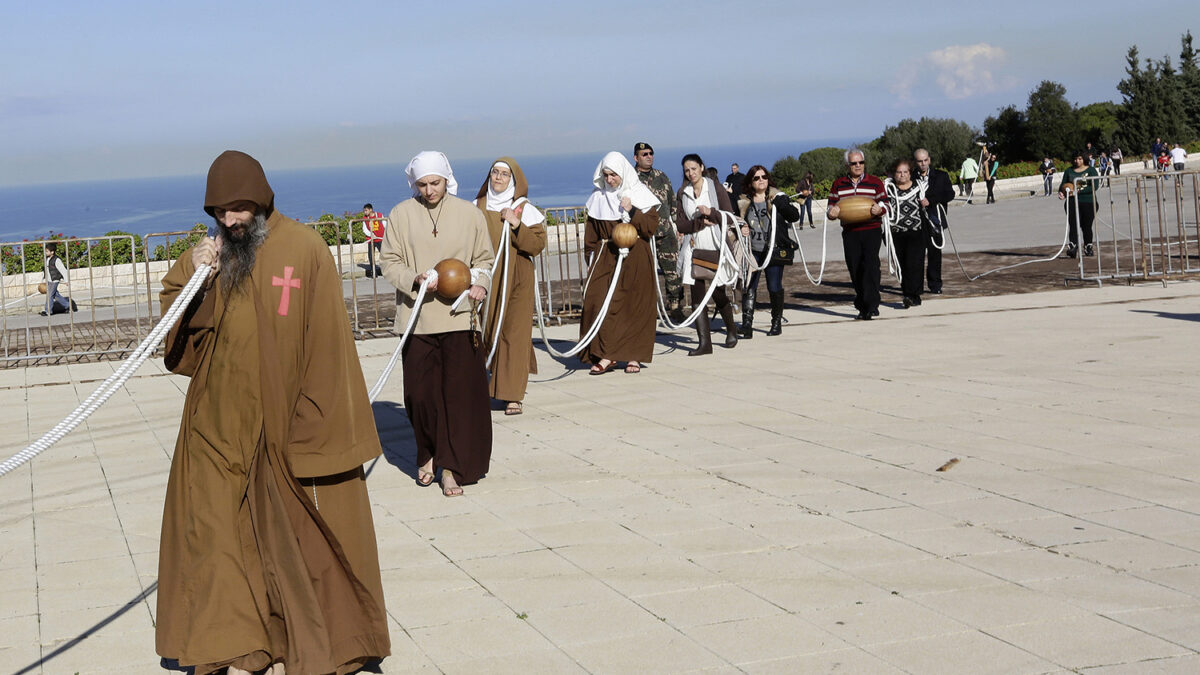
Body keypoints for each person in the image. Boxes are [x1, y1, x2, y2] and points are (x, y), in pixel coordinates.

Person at [156, 150, 390, 674]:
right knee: (213, 537)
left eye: (239, 209)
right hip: (214, 427)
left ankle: (315, 643)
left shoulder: (304, 249)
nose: (230, 221)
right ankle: (223, 646)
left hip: (278, 427)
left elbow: (329, 345)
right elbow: (177, 322)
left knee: (293, 545)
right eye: (220, 211)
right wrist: (195, 275)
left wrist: (318, 425)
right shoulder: (211, 255)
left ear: (260, 201)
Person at [380, 151, 494, 497]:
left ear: (447, 179)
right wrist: (413, 278)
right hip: (418, 320)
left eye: (436, 183)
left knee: (458, 398)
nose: (430, 191)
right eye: (423, 185)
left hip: (460, 319)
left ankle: (452, 468)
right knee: (421, 396)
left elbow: (484, 261)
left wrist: (479, 285)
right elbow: (389, 260)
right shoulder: (401, 214)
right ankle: (427, 453)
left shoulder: (470, 215)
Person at [473, 158, 547, 416]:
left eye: (505, 174)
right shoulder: (477, 207)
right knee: (488, 332)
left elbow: (537, 245)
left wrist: (517, 226)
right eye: (495, 172)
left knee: (514, 334)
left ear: (513, 181)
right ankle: (490, 385)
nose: (498, 178)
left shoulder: (523, 209)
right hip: (486, 280)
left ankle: (513, 395)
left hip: (517, 279)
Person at [580, 151, 659, 374]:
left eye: (613, 175)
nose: (610, 179)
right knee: (599, 302)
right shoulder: (598, 198)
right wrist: (591, 258)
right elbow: (591, 234)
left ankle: (634, 355)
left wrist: (632, 210)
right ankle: (606, 354)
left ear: (623, 173)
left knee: (635, 305)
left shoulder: (639, 194)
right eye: (606, 175)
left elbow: (650, 228)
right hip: (606, 256)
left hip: (636, 256)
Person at [677, 153, 739, 354]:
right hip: (693, 245)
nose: (690, 173)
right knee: (696, 295)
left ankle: (731, 330)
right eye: (687, 170)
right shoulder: (682, 192)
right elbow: (681, 224)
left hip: (714, 244)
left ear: (701, 167)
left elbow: (729, 215)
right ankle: (705, 343)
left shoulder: (714, 186)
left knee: (718, 291)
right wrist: (698, 222)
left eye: (694, 168)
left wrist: (710, 212)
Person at [737, 165, 799, 337]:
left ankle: (776, 322)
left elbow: (794, 216)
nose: (761, 180)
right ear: (751, 181)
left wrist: (782, 204)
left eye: (764, 176)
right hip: (753, 251)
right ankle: (747, 324)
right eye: (756, 178)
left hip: (773, 249)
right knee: (749, 286)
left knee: (774, 286)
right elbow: (735, 221)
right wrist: (741, 229)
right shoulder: (744, 201)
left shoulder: (777, 197)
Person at [827, 148, 887, 320]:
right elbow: (831, 207)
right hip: (850, 232)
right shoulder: (838, 184)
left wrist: (880, 209)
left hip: (871, 230)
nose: (858, 166)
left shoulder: (875, 182)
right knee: (855, 268)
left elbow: (887, 203)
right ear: (848, 165)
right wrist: (831, 213)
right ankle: (865, 301)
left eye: (861, 162)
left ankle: (868, 306)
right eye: (854, 163)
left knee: (870, 266)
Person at [633, 142, 685, 323]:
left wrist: (680, 228)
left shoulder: (661, 177)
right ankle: (648, 309)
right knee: (644, 274)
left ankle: (676, 307)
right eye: (644, 154)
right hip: (642, 235)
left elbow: (672, 204)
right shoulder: (631, 179)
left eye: (651, 153)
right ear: (636, 158)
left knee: (673, 272)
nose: (649, 156)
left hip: (665, 233)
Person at [887, 159, 929, 308]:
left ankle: (914, 295)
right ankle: (907, 294)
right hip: (896, 233)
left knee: (915, 264)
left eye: (905, 172)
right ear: (894, 173)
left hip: (916, 232)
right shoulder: (889, 189)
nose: (902, 175)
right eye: (899, 172)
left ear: (910, 173)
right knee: (902, 265)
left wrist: (927, 202)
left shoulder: (920, 187)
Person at [914, 148, 955, 295]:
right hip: (916, 222)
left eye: (925, 160)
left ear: (929, 160)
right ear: (916, 162)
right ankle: (916, 287)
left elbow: (950, 194)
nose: (923, 164)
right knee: (916, 256)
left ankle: (935, 284)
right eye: (920, 161)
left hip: (935, 221)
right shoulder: (910, 178)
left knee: (934, 255)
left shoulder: (941, 176)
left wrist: (930, 201)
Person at [1058, 150, 1100, 258]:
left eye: (1080, 159)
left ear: (1084, 159)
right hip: (1072, 202)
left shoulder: (1091, 170)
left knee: (1086, 226)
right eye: (1075, 159)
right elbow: (1063, 185)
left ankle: (1088, 246)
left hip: (1088, 202)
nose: (1077, 161)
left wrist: (1078, 191)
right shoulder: (1069, 171)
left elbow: (1095, 186)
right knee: (1073, 225)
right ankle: (1073, 246)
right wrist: (1061, 193)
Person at [40, 242, 73, 316]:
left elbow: (63, 270)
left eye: (47, 251)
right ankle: (67, 306)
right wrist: (43, 278)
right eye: (45, 251)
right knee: (55, 295)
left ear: (52, 252)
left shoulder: (57, 260)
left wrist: (66, 280)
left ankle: (48, 311)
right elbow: (46, 270)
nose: (45, 252)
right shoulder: (47, 259)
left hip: (55, 280)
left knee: (49, 295)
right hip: (49, 280)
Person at [361, 202, 385, 277]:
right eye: (364, 211)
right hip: (371, 240)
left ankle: (384, 270)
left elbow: (385, 225)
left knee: (384, 255)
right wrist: (370, 234)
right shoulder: (365, 218)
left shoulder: (379, 215)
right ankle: (373, 271)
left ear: (371, 210)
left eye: (366, 210)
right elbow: (364, 229)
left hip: (380, 239)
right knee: (371, 256)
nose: (365, 212)